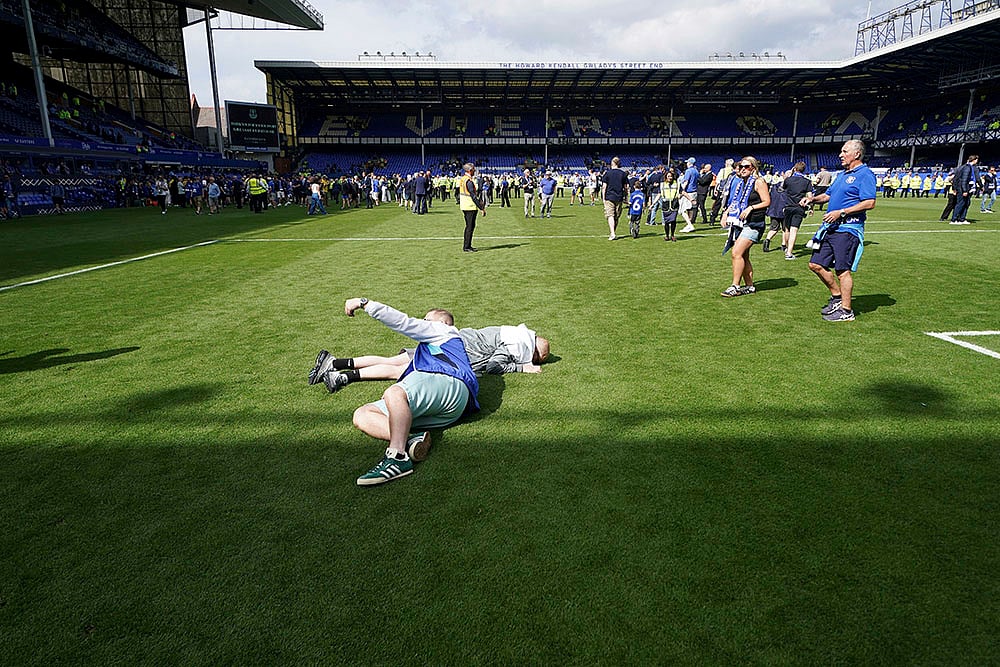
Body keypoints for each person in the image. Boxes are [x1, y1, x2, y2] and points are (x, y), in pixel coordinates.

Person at [338, 298, 479, 486]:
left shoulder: (442, 330)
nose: (424, 323)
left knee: (394, 393)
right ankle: (413, 441)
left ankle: (397, 457)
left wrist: (365, 303)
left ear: (442, 322)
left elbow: (403, 322)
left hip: (450, 384)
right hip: (451, 404)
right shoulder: (430, 349)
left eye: (427, 320)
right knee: (362, 414)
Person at [308, 323, 550, 391]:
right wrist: (522, 368)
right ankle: (341, 377)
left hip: (446, 343)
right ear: (533, 351)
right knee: (396, 370)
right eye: (538, 358)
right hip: (449, 354)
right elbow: (496, 366)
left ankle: (334, 364)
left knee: (394, 362)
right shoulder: (516, 346)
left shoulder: (512, 332)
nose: (536, 360)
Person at [800, 139, 877, 322]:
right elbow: (828, 195)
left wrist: (841, 212)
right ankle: (837, 297)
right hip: (831, 228)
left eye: (844, 151)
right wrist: (812, 200)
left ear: (856, 154)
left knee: (842, 271)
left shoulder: (865, 174)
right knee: (815, 264)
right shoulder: (842, 174)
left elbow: (870, 202)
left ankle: (846, 311)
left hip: (848, 228)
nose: (840, 155)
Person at [720, 156, 770, 297]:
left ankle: (735, 286)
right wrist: (726, 213)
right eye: (741, 166)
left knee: (736, 253)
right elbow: (735, 202)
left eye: (746, 166)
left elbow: (767, 201)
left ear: (753, 168)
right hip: (741, 223)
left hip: (754, 223)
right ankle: (749, 286)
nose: (743, 169)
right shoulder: (742, 183)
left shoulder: (759, 182)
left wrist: (751, 208)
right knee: (744, 255)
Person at [779, 161, 814, 260]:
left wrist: (788, 176)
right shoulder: (806, 181)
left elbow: (781, 188)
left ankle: (786, 247)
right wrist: (811, 207)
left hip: (788, 206)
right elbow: (810, 196)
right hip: (799, 207)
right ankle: (789, 253)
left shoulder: (788, 180)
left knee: (786, 229)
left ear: (795, 169)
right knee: (794, 230)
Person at [458, 162, 487, 252]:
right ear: (470, 170)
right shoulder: (469, 181)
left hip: (465, 205)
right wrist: (481, 208)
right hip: (469, 206)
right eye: (474, 169)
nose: (475, 170)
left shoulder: (463, 179)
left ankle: (468, 245)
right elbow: (473, 196)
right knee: (470, 227)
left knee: (469, 226)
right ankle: (467, 246)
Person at [601, 156, 629, 241]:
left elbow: (604, 187)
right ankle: (613, 232)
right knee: (616, 216)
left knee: (610, 215)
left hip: (609, 196)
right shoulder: (623, 174)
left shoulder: (607, 173)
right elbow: (626, 187)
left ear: (612, 163)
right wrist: (626, 198)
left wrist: (603, 197)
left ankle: (612, 233)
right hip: (619, 197)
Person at [950, 154, 978, 225]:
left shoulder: (966, 167)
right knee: (960, 203)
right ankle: (954, 219)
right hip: (963, 188)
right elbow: (964, 180)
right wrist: (964, 190)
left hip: (966, 188)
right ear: (974, 160)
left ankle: (962, 218)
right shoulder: (967, 168)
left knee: (966, 203)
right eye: (976, 160)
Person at [678, 157, 699, 233]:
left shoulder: (688, 171)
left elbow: (686, 182)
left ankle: (690, 225)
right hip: (694, 191)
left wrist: (681, 192)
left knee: (682, 210)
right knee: (690, 209)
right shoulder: (696, 171)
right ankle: (689, 224)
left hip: (688, 192)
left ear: (689, 163)